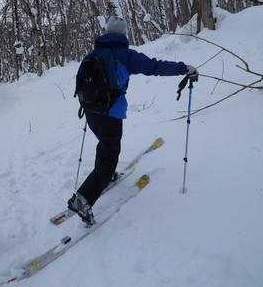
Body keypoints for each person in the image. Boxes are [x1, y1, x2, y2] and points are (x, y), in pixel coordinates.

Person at [67, 16, 199, 225]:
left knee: (104, 144)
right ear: (123, 35)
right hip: (111, 114)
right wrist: (183, 68)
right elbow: (155, 67)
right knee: (110, 157)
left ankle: (105, 177)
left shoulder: (93, 53)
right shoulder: (125, 55)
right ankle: (82, 200)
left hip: (91, 112)